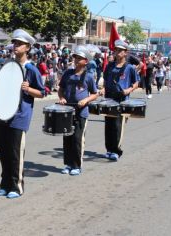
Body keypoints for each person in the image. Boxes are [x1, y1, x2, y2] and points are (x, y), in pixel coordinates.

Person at [0, 29, 45, 199]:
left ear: (28, 47)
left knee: (15, 153)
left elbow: (42, 92)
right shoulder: (7, 65)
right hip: (2, 115)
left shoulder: (31, 69)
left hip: (20, 116)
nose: (15, 46)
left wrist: (28, 89)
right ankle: (5, 183)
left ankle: (16, 187)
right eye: (14, 43)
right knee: (3, 152)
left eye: (19, 44)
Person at [58, 45, 98, 175]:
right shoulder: (68, 73)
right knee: (67, 138)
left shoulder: (89, 76)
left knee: (77, 139)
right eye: (75, 57)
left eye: (79, 58)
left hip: (81, 112)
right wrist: (62, 97)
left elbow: (95, 93)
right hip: (67, 111)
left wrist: (86, 100)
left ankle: (77, 165)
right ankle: (68, 164)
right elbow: (61, 89)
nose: (76, 60)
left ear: (86, 61)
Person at [100, 39, 139, 161]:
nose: (117, 52)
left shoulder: (129, 68)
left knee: (118, 126)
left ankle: (116, 151)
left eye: (120, 50)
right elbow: (106, 81)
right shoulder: (110, 66)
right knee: (109, 125)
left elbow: (136, 83)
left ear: (126, 52)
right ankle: (109, 149)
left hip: (122, 99)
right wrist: (103, 89)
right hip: (109, 98)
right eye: (116, 50)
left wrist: (129, 90)